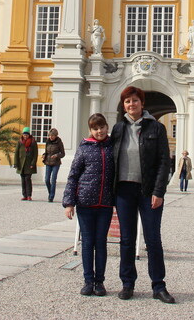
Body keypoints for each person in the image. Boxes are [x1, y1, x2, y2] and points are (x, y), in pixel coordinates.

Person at [111, 86, 175, 304]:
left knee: (153, 240)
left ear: (142, 103)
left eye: (135, 101)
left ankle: (158, 285)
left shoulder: (156, 128)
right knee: (126, 240)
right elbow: (111, 159)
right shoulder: (118, 128)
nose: (131, 105)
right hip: (124, 190)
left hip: (148, 191)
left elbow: (164, 162)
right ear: (124, 105)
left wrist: (159, 191)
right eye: (127, 101)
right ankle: (127, 283)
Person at [63, 113, 115, 297]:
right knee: (87, 243)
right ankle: (87, 281)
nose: (99, 131)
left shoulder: (112, 147)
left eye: (101, 127)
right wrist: (69, 203)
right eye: (95, 128)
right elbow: (73, 175)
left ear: (107, 127)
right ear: (90, 130)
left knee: (100, 243)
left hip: (105, 204)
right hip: (85, 203)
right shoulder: (84, 148)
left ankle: (99, 281)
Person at [14, 126, 38, 200]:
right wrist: (16, 163)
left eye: (26, 135)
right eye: (24, 135)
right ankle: (24, 195)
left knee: (28, 179)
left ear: (29, 135)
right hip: (21, 164)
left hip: (29, 164)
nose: (25, 136)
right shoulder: (20, 142)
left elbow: (35, 154)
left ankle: (29, 195)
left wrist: (33, 164)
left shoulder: (33, 142)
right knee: (22, 179)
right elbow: (16, 153)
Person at [42, 128, 66, 202]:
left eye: (52, 136)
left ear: (56, 136)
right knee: (46, 179)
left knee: (53, 179)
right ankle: (50, 193)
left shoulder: (59, 142)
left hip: (56, 163)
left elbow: (63, 154)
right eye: (50, 135)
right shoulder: (48, 141)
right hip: (48, 162)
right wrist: (44, 155)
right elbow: (46, 151)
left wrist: (57, 155)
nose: (51, 137)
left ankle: (51, 197)